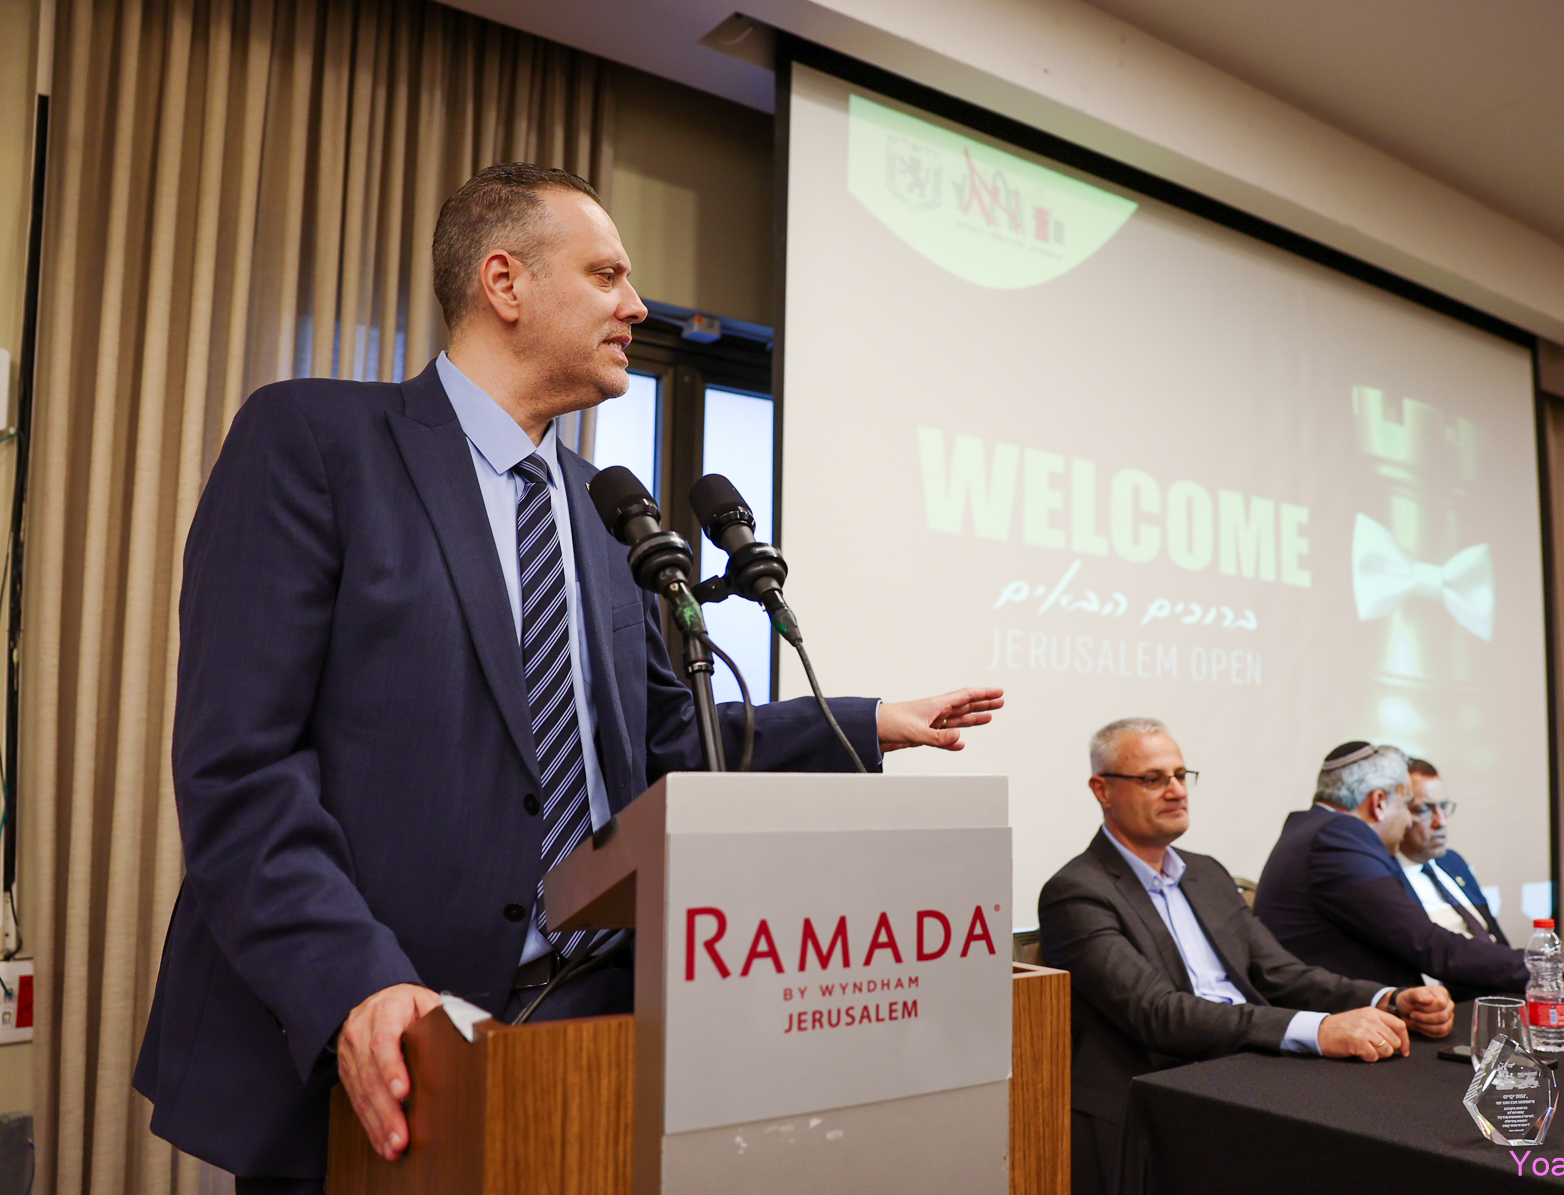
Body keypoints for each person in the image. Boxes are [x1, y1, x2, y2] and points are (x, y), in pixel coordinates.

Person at [132, 163, 1004, 1193]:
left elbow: (669, 745)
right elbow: (242, 767)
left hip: (594, 1030)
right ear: (505, 282)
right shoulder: (317, 441)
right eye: (606, 275)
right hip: (381, 1045)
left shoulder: (605, 512)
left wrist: (867, 721)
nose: (636, 306)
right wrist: (358, 985)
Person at [1038, 719, 1453, 1195]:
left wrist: (1388, 1000)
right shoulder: (1076, 892)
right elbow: (1157, 1014)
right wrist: (1318, 1029)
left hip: (1248, 1073)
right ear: (1102, 790)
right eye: (1153, 779)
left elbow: (1281, 973)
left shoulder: (1207, 874)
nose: (1176, 791)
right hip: (1157, 1096)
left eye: (1181, 775)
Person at [1254, 742, 1564, 1002]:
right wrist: (1562, 969)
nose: (1409, 821)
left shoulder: (1312, 830)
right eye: (1408, 806)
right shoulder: (1338, 837)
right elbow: (1429, 945)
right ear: (1379, 803)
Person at [1399, 758, 1508, 945]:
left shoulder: (1452, 861)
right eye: (1424, 809)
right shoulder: (1386, 877)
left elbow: (1496, 937)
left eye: (1443, 806)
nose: (1441, 821)